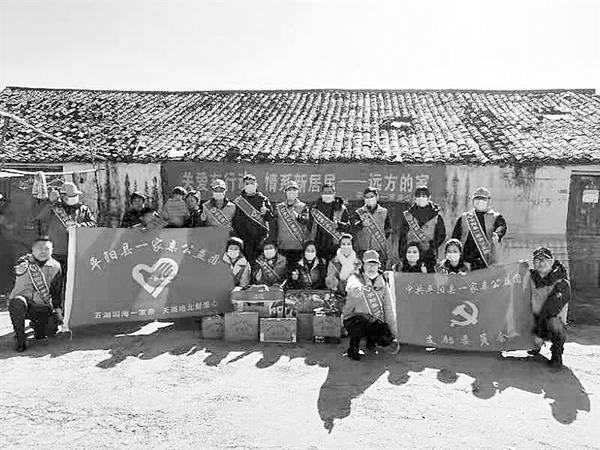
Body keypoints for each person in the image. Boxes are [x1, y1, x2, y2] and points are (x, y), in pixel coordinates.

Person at [8, 236, 63, 352]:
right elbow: (14, 271)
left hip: (42, 306)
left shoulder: (56, 266)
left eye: (47, 249)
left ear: (52, 250)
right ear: (32, 250)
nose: (43, 251)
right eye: (39, 248)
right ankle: (20, 339)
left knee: (47, 332)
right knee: (17, 302)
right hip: (22, 304)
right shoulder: (23, 262)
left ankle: (36, 326)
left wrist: (59, 313)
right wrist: (17, 270)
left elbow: (56, 291)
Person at [342, 250, 397, 361]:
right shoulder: (357, 277)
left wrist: (393, 331)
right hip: (355, 318)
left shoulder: (383, 281)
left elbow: (388, 306)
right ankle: (353, 349)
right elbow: (352, 284)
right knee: (359, 324)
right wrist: (356, 288)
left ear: (378, 265)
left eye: (374, 264)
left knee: (385, 337)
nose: (371, 267)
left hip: (373, 319)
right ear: (363, 264)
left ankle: (371, 341)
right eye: (369, 263)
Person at [36, 181, 96, 277]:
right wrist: (51, 202)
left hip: (78, 251)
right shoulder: (54, 209)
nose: (75, 198)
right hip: (58, 252)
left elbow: (93, 224)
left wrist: (80, 226)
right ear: (63, 197)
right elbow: (40, 218)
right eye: (72, 196)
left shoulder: (83, 209)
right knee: (58, 279)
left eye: (76, 195)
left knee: (75, 278)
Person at [527, 247, 570, 368]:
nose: (541, 263)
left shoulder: (561, 282)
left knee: (555, 323)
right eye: (537, 260)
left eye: (545, 260)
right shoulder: (531, 276)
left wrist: (539, 335)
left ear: (552, 262)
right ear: (533, 262)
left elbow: (550, 310)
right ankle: (534, 346)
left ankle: (557, 354)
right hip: (535, 318)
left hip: (550, 320)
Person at [452, 187, 507, 270]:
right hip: (466, 262)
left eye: (483, 199)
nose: (480, 201)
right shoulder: (464, 217)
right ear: (473, 201)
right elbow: (455, 237)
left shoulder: (496, 217)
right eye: (477, 198)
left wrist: (497, 234)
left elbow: (502, 227)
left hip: (487, 262)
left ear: (489, 201)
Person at [398, 186, 446, 273]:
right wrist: (402, 255)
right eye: (418, 196)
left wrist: (432, 246)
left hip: (429, 254)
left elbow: (441, 235)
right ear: (415, 198)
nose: (421, 198)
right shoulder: (408, 215)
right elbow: (402, 236)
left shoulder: (436, 215)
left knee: (428, 279)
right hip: (411, 254)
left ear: (429, 198)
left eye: (424, 196)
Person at [232, 174, 275, 262]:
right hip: (243, 241)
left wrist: (266, 212)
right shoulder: (238, 201)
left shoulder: (263, 199)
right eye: (247, 183)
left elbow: (271, 218)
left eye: (252, 183)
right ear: (243, 185)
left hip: (259, 241)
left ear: (256, 185)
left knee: (258, 266)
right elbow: (234, 222)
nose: (249, 185)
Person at [351, 187, 392, 267]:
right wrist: (361, 224)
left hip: (379, 250)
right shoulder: (359, 212)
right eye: (367, 197)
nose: (369, 199)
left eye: (371, 196)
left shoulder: (384, 212)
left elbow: (388, 231)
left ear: (377, 197)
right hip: (362, 250)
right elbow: (352, 228)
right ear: (364, 199)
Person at [271, 180, 310, 263]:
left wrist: (297, 216)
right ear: (285, 192)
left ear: (297, 192)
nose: (291, 192)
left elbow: (306, 221)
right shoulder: (279, 207)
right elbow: (274, 226)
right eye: (289, 190)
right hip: (282, 246)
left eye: (294, 190)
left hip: (298, 247)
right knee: (281, 269)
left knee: (296, 270)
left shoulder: (303, 207)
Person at [310, 182, 350, 262]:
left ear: (334, 194)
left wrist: (339, 225)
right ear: (321, 194)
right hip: (318, 246)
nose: (327, 194)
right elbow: (309, 227)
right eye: (325, 192)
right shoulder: (315, 209)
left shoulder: (341, 208)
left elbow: (348, 227)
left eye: (330, 192)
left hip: (335, 247)